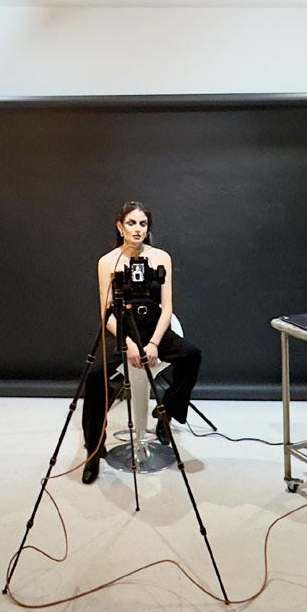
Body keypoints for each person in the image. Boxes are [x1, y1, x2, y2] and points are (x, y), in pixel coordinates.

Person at [78, 201, 203, 484]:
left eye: (143, 224)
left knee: (192, 355)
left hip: (155, 328)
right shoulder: (108, 261)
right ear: (120, 226)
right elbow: (106, 312)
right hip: (123, 331)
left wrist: (155, 343)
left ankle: (166, 411)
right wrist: (129, 344)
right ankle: (94, 451)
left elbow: (167, 308)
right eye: (131, 223)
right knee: (95, 377)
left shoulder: (161, 257)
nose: (137, 229)